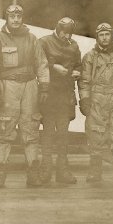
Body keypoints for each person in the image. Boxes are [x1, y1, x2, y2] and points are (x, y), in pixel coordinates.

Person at [0, 4, 49, 188]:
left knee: (31, 128)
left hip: (29, 86)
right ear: (6, 18)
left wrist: (44, 87)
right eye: (12, 16)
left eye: (19, 16)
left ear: (22, 18)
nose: (16, 20)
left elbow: (42, 64)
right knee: (4, 128)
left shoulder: (32, 39)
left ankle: (33, 172)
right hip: (7, 87)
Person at [78, 23, 113, 183]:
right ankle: (95, 171)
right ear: (97, 37)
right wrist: (85, 99)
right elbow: (84, 81)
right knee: (96, 134)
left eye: (107, 34)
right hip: (98, 98)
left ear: (111, 36)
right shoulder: (90, 57)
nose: (104, 37)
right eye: (101, 34)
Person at [38, 17, 81, 184]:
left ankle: (63, 171)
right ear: (57, 29)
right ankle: (45, 170)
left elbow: (78, 64)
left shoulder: (74, 45)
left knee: (63, 134)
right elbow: (37, 63)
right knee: (48, 133)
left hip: (65, 95)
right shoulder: (44, 42)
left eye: (69, 33)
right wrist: (53, 66)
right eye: (64, 32)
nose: (66, 36)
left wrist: (78, 71)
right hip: (48, 94)